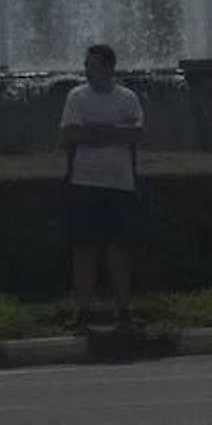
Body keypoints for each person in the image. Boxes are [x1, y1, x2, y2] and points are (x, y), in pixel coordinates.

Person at [59, 44, 144, 329]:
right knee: (85, 249)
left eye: (93, 65)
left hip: (120, 184)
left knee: (118, 249)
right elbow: (70, 133)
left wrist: (94, 131)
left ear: (109, 68)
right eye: (86, 65)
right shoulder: (77, 96)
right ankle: (81, 311)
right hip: (85, 182)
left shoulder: (127, 97)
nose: (87, 70)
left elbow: (136, 134)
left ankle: (124, 309)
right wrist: (112, 131)